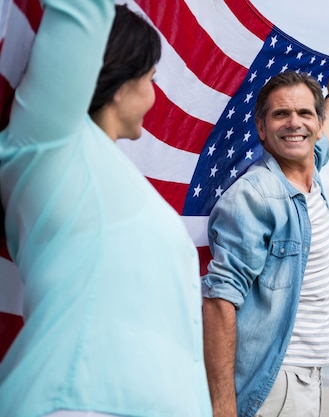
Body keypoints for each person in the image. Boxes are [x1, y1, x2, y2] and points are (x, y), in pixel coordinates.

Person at [0, 2, 212, 416]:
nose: (155, 95)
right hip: (76, 402)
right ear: (118, 77)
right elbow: (83, 11)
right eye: (151, 78)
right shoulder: (51, 146)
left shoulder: (111, 171)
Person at [202, 61, 329, 417]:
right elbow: (218, 301)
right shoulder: (255, 197)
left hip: (307, 376)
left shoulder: (309, 169)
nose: (295, 123)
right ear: (262, 128)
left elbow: (323, 141)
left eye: (304, 113)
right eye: (281, 114)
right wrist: (222, 409)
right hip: (275, 380)